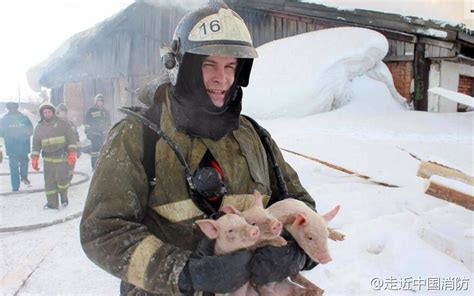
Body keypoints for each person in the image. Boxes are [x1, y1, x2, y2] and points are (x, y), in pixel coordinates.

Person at [80, 3, 318, 295]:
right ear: (182, 66)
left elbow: (301, 207)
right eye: (209, 65)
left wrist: (296, 252)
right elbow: (104, 230)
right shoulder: (136, 135)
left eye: (231, 66)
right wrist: (185, 273)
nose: (223, 78)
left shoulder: (254, 136)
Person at [31, 103, 77, 209]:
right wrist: (34, 158)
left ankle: (64, 199)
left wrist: (72, 153)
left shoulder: (63, 124)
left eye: (49, 112)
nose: (47, 114)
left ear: (53, 112)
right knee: (49, 183)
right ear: (42, 114)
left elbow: (71, 139)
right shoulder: (39, 128)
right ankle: (52, 204)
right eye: (45, 112)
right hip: (48, 160)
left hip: (61, 158)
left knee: (62, 181)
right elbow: (36, 144)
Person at [0, 102, 33, 191]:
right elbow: (30, 130)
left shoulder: (4, 119)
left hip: (12, 146)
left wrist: (9, 137)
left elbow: (1, 133)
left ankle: (16, 187)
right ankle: (23, 178)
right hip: (22, 146)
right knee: (23, 162)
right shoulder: (23, 118)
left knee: (14, 167)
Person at [84, 94, 111, 169]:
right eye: (99, 101)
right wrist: (89, 133)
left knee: (104, 151)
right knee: (95, 153)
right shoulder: (90, 111)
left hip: (104, 135)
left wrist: (108, 132)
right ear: (96, 101)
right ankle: (95, 167)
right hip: (95, 135)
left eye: (101, 101)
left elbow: (109, 123)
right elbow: (87, 124)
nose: (100, 102)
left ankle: (104, 167)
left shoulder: (105, 111)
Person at [56, 103, 81, 182]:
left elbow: (76, 136)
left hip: (71, 150)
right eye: (62, 112)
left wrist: (79, 148)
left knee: (71, 167)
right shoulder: (55, 124)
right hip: (60, 151)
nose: (64, 114)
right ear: (58, 113)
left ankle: (68, 180)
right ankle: (61, 181)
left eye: (65, 112)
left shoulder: (71, 124)